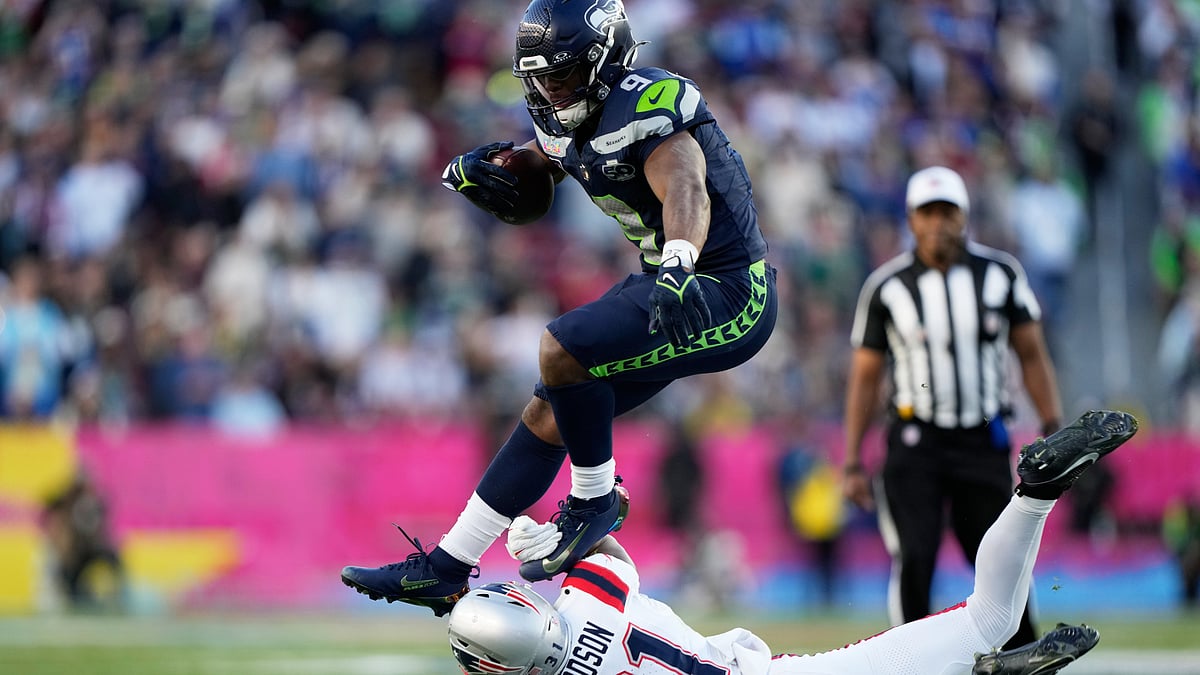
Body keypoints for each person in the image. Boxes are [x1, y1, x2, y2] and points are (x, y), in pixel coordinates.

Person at [341, 0, 776, 615]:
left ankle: (596, 498)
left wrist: (679, 257)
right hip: (665, 277)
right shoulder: (563, 115)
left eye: (564, 74)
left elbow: (685, 185)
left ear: (605, 61)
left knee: (561, 347)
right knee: (552, 409)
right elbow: (544, 173)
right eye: (540, 76)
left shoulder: (648, 104)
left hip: (726, 289)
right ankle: (446, 567)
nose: (550, 89)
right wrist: (500, 168)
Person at [446, 409, 1137, 675]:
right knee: (988, 617)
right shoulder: (587, 604)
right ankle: (1036, 492)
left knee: (982, 635)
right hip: (775, 672)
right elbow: (607, 548)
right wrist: (547, 549)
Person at [841, 165, 1064, 648]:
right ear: (911, 219)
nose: (938, 222)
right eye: (928, 212)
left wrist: (1051, 424)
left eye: (948, 212)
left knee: (1001, 560)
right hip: (914, 443)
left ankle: (1022, 654)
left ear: (964, 216)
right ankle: (908, 658)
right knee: (915, 556)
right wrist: (853, 460)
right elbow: (864, 379)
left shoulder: (1001, 274)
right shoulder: (887, 286)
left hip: (981, 439)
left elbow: (1031, 354)